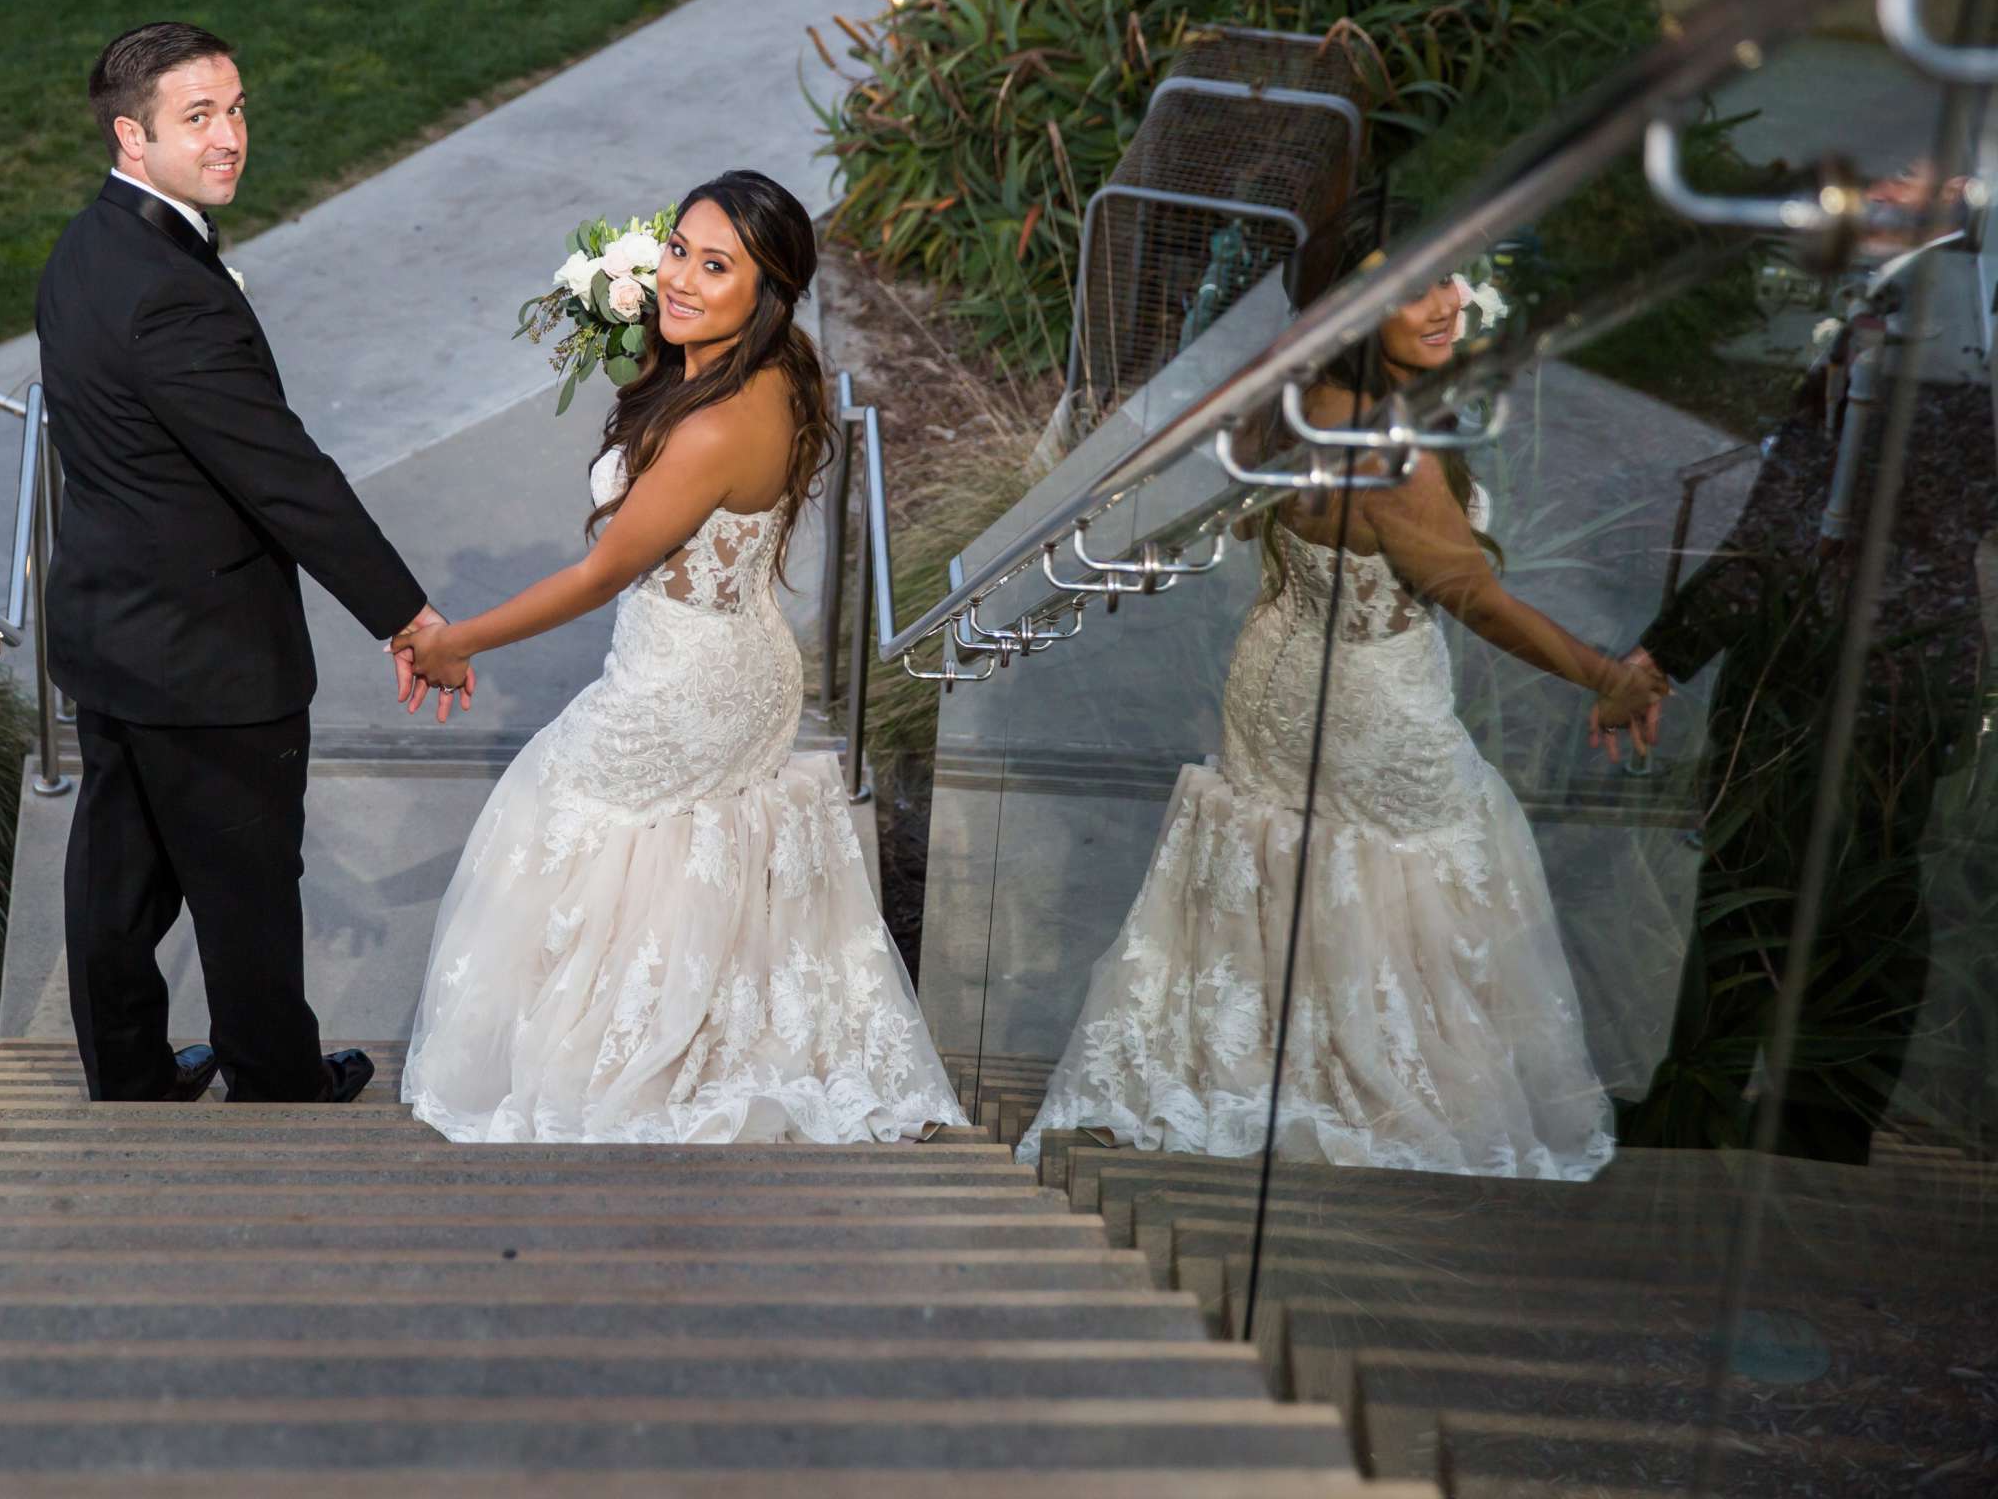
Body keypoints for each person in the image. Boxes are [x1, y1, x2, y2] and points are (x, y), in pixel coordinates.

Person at [1014, 273, 1663, 1176]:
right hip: (1371, 707)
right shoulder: (1390, 454)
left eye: (1448, 277)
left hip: (1275, 678)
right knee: (1422, 864)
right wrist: (1605, 676)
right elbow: (1475, 599)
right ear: (1355, 312)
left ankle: (1264, 1067)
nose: (1447, 304)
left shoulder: (1297, 402)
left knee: (1294, 858)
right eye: (1412, 291)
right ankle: (1360, 1089)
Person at [392, 171, 968, 1144]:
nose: (681, 280)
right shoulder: (782, 370)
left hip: (682, 680)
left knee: (565, 815)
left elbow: (598, 575)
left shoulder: (705, 433)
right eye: (677, 252)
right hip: (750, 662)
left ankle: (614, 1069)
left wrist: (454, 641)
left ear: (769, 290)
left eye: (717, 265)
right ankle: (712, 1036)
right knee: (690, 845)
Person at [36, 22, 471, 1105]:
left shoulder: (88, 247)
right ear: (132, 136)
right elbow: (284, 477)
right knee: (245, 886)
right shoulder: (170, 290)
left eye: (235, 109)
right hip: (208, 654)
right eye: (199, 117)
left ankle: (129, 1071)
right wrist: (409, 616)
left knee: (119, 875)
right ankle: (277, 1081)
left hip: (110, 629)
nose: (231, 137)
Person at [1604, 332, 1995, 1163]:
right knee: (1869, 888)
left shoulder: (1893, 370)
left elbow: (1773, 545)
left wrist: (1661, 655)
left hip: (1820, 676)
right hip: (1919, 672)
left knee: (1762, 890)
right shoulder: (1968, 369)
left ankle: (1711, 1112)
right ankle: (1816, 1125)